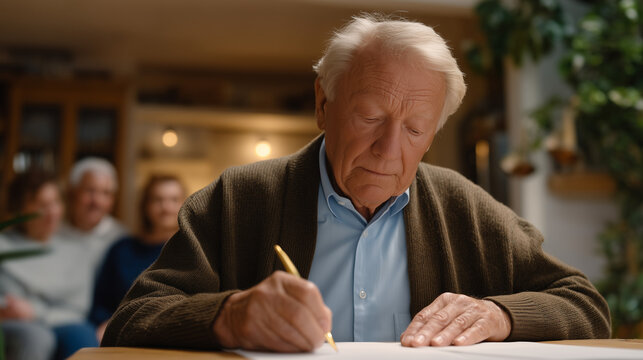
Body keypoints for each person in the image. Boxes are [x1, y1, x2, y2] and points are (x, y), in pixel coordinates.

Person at [102, 15, 610, 352]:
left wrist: (499, 315)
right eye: (370, 117)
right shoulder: (240, 198)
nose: (390, 150)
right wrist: (229, 315)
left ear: (432, 136)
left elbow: (584, 305)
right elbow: (132, 321)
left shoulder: (465, 208)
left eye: (415, 130)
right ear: (323, 103)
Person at [0, 171, 99, 360]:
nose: (52, 212)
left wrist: (35, 312)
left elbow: (78, 309)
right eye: (41, 205)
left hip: (65, 322)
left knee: (83, 335)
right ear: (20, 208)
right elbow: (8, 302)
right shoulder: (4, 246)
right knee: (36, 337)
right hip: (17, 324)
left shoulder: (76, 250)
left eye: (55, 202)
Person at [90, 175, 186, 342]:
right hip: (122, 334)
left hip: (177, 334)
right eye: (158, 200)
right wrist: (108, 323)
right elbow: (101, 303)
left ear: (185, 204)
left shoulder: (193, 251)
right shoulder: (121, 250)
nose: (166, 207)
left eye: (174, 200)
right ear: (145, 205)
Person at [58, 157, 128, 272]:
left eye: (106, 193)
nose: (97, 201)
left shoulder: (122, 241)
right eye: (90, 191)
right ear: (72, 193)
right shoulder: (53, 234)